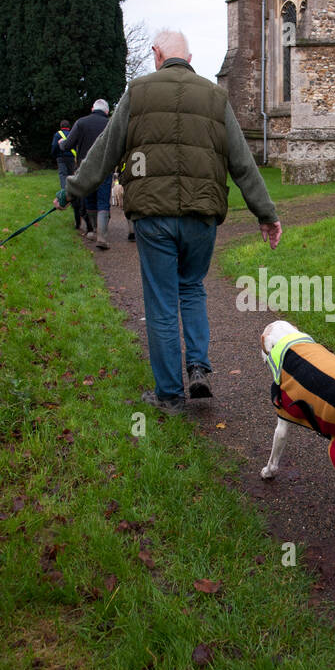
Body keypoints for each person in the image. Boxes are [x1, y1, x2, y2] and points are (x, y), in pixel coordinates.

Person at [54, 29, 282, 411]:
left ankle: (169, 395)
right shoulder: (215, 97)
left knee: (161, 302)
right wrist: (267, 214)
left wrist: (71, 190)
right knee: (191, 288)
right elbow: (242, 162)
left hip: (153, 216)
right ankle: (198, 367)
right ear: (189, 58)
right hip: (201, 215)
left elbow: (104, 153)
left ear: (158, 54)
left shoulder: (138, 91)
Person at [63, 99, 114, 250]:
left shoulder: (81, 122)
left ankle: (91, 231)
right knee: (103, 201)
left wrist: (61, 144)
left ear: (92, 109)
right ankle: (102, 236)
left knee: (89, 199)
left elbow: (67, 145)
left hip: (85, 168)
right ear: (106, 111)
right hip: (105, 167)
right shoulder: (110, 124)